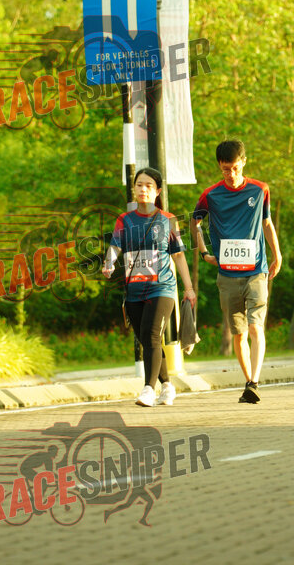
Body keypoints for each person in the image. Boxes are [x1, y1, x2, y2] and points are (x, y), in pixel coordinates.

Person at [191, 140, 281, 404]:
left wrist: (277, 254)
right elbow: (195, 222)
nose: (230, 174)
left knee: (255, 325)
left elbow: (267, 223)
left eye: (234, 168)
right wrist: (204, 252)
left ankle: (254, 382)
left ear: (243, 162)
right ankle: (249, 381)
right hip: (227, 274)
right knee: (239, 333)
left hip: (256, 270)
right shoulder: (210, 195)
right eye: (225, 169)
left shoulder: (260, 189)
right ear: (219, 167)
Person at [103, 167, 196, 407]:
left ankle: (148, 389)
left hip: (162, 287)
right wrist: (109, 263)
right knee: (147, 339)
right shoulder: (125, 220)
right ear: (134, 189)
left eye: (148, 185)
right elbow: (115, 245)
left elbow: (178, 256)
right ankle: (167, 386)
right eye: (139, 185)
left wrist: (188, 288)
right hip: (134, 289)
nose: (143, 189)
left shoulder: (168, 220)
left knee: (153, 334)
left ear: (157, 191)